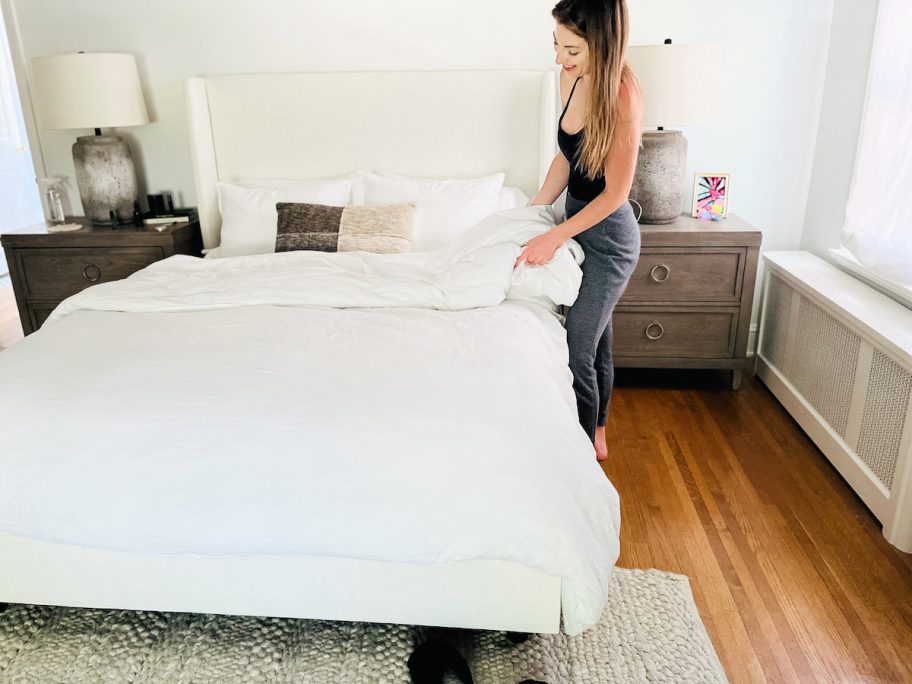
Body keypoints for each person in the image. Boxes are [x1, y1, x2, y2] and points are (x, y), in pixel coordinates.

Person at [516, 0, 643, 462]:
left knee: (577, 345)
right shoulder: (571, 77)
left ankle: (584, 448)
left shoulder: (624, 96)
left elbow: (614, 195)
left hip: (609, 242)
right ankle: (599, 427)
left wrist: (553, 236)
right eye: (556, 45)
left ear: (601, 44)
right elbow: (567, 157)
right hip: (576, 228)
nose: (559, 59)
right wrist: (533, 211)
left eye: (570, 49)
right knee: (598, 338)